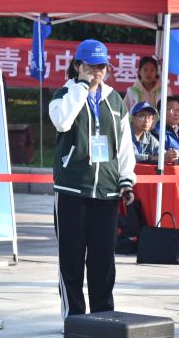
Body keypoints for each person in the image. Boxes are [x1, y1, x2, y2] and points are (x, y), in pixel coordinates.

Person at [49, 39, 135, 322]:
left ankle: (103, 317)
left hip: (107, 190)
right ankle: (73, 317)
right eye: (90, 66)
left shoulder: (114, 99)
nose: (97, 72)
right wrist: (82, 88)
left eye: (101, 67)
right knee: (71, 258)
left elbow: (124, 144)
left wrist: (126, 179)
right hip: (72, 187)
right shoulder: (64, 94)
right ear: (77, 66)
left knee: (103, 260)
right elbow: (62, 122)